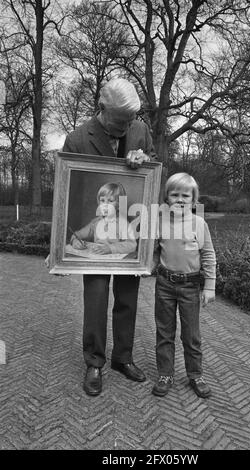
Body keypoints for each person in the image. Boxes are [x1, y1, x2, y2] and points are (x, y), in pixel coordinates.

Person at [62, 77, 157, 396]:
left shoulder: (141, 130)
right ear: (102, 109)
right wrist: (61, 241)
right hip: (98, 245)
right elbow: (68, 194)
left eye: (131, 119)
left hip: (132, 233)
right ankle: (94, 362)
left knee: (128, 300)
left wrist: (146, 160)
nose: (128, 125)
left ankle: (123, 358)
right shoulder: (77, 139)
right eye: (122, 120)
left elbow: (156, 172)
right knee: (97, 298)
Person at [151, 173, 216, 398]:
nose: (180, 199)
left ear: (193, 199)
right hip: (164, 285)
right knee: (164, 331)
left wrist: (210, 286)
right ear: (167, 198)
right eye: (174, 194)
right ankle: (165, 374)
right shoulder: (160, 221)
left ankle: (195, 374)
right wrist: (144, 267)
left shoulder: (199, 223)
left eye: (185, 195)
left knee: (191, 334)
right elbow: (155, 251)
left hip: (190, 287)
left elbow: (208, 255)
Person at [70, 182, 137, 256]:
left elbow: (132, 245)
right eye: (102, 200)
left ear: (119, 205)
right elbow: (77, 234)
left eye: (110, 201)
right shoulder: (95, 222)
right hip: (96, 257)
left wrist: (110, 248)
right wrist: (75, 241)